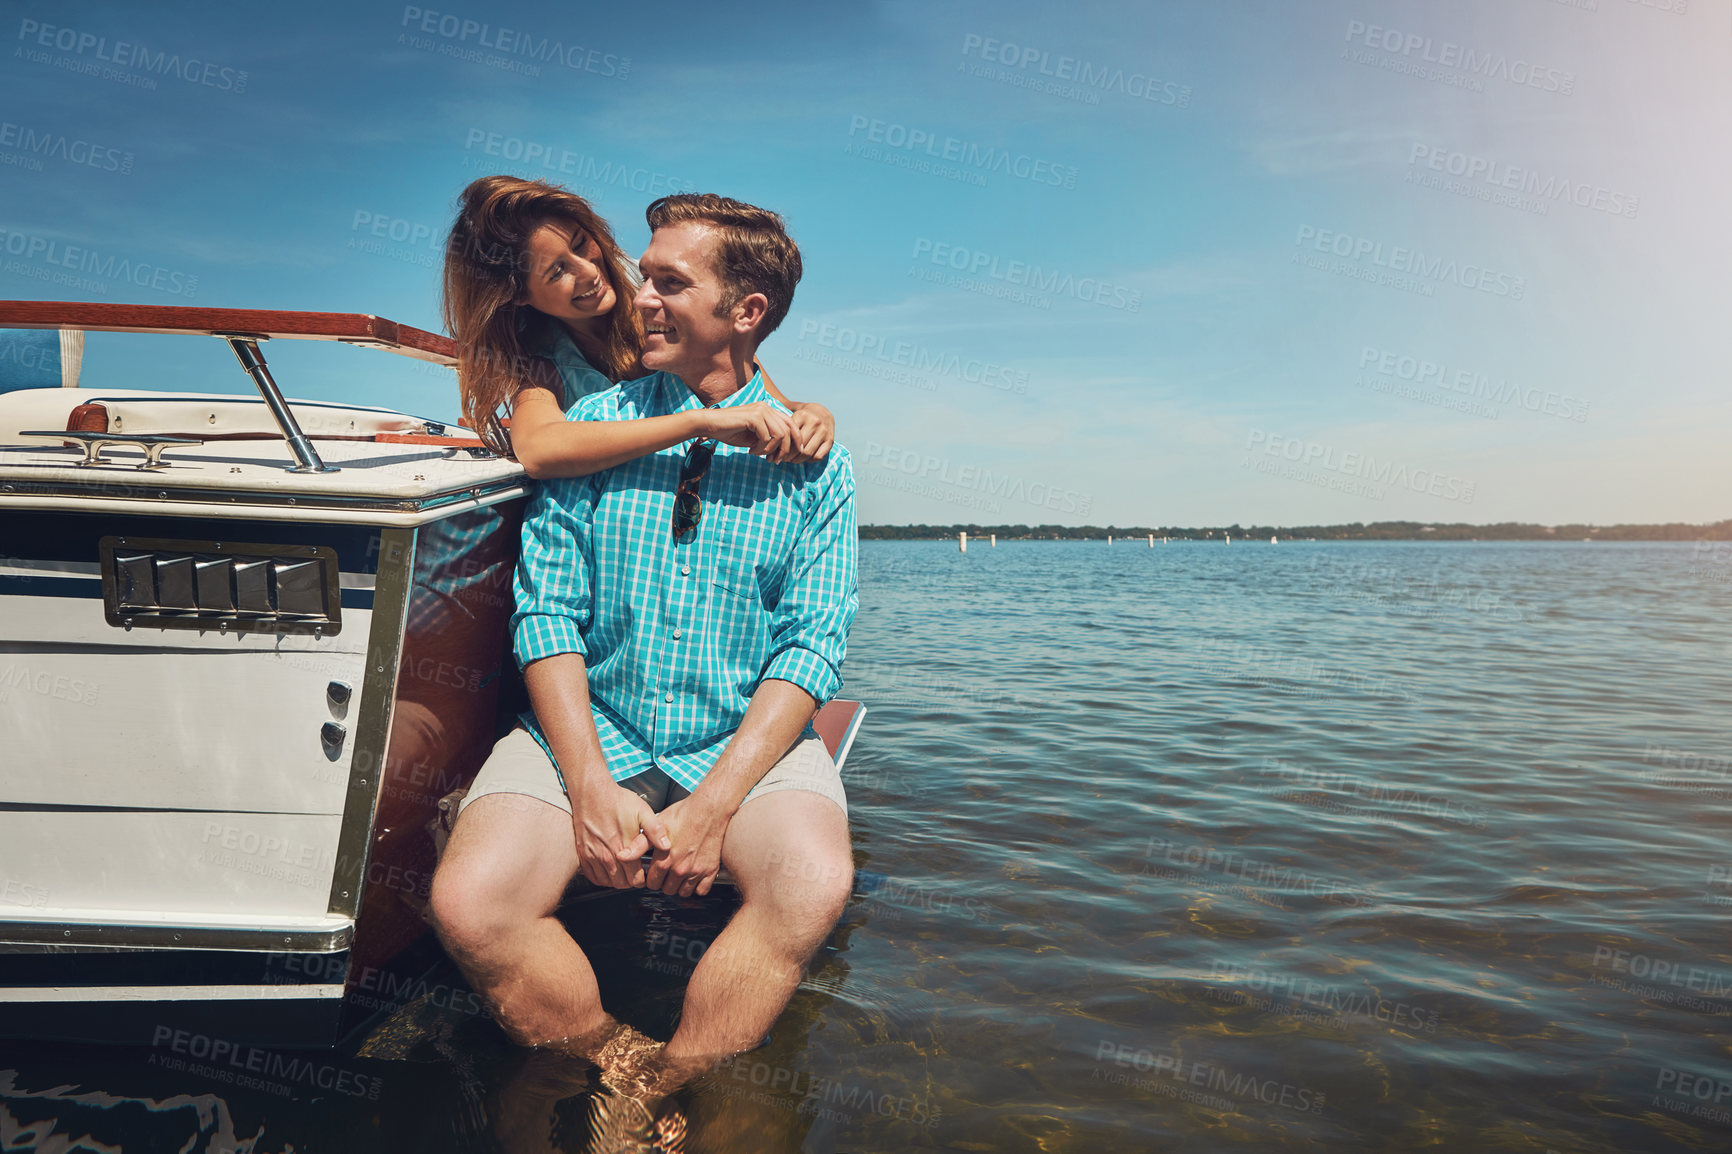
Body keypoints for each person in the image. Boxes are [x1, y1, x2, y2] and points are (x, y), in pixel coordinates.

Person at [428, 193, 858, 1113]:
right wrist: (586, 784)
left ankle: (672, 1083)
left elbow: (813, 644)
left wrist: (715, 804)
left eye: (668, 281)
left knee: (811, 884)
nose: (634, 292)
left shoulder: (818, 459)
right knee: (470, 904)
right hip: (598, 728)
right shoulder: (585, 426)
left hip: (736, 739)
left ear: (744, 312)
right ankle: (615, 1061)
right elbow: (546, 616)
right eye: (647, 276)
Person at [441, 174, 834, 476]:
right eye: (558, 270)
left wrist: (814, 411)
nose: (589, 272)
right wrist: (700, 423)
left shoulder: (659, 312)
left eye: (580, 244)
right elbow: (540, 451)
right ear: (518, 295)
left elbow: (756, 392)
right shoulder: (539, 361)